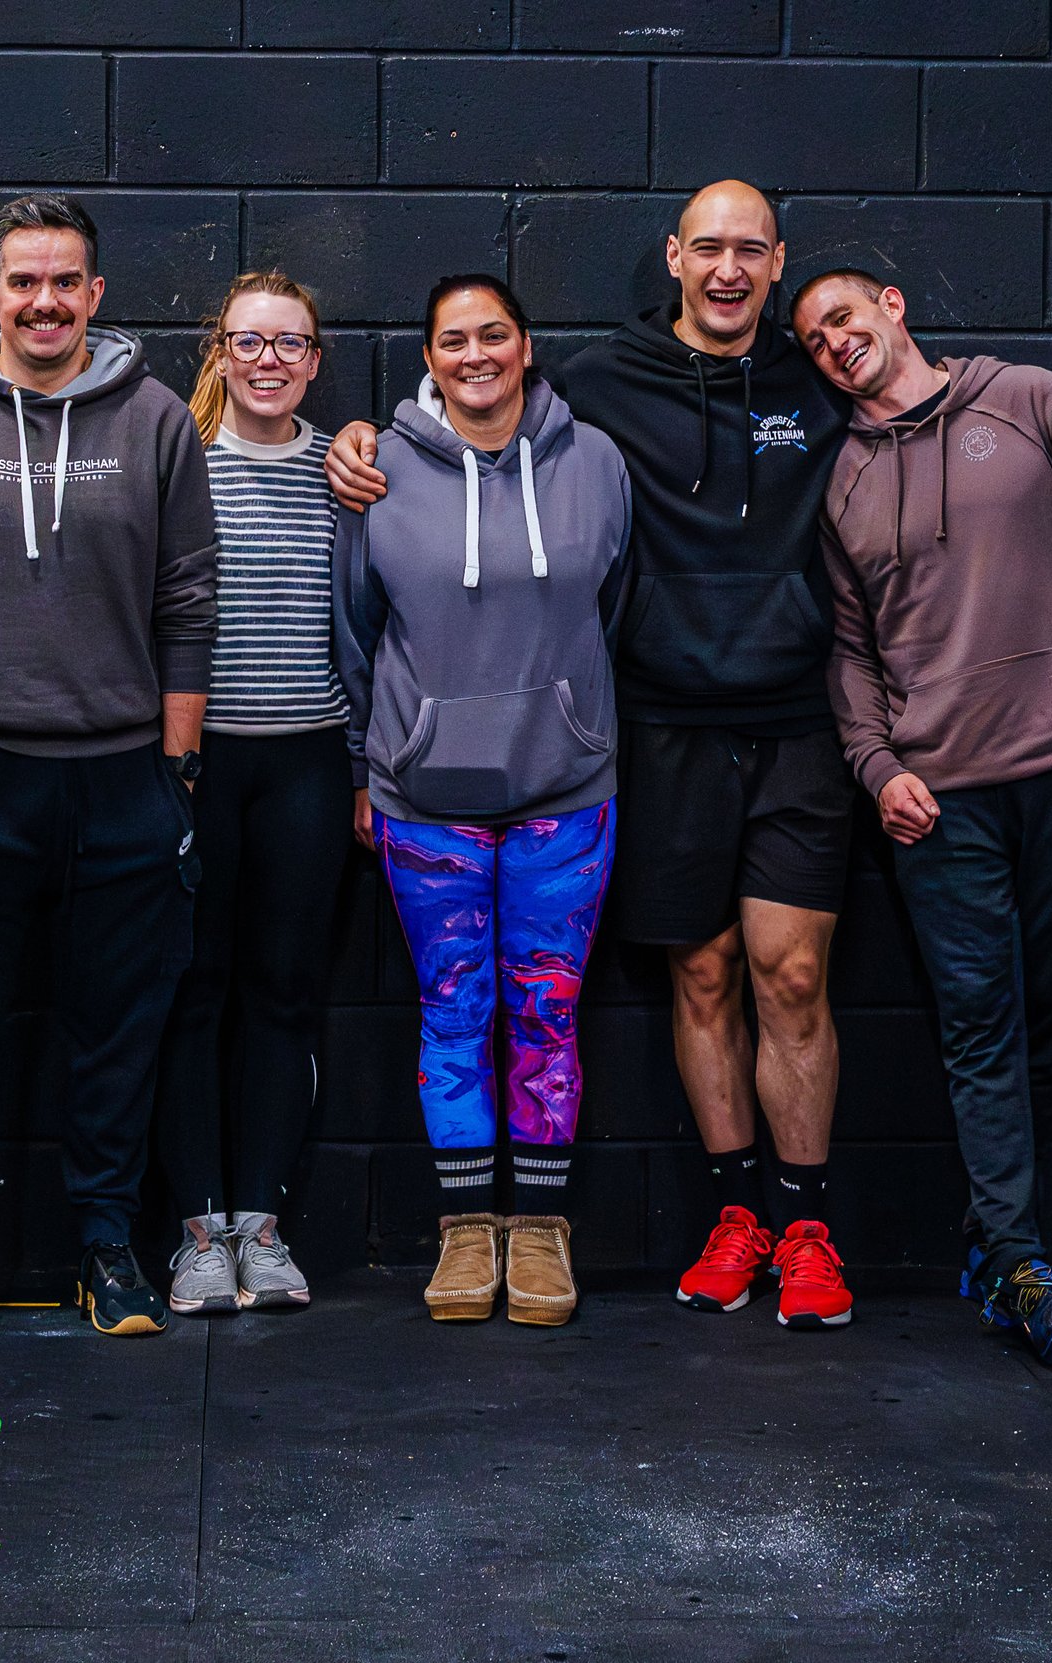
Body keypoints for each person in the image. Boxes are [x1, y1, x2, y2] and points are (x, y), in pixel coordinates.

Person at [325, 181, 1052, 1332]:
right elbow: (470, 405)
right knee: (699, 978)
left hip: (803, 723)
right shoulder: (600, 380)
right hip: (660, 726)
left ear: (776, 261)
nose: (728, 268)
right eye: (707, 247)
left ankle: (805, 1225)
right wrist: (366, 434)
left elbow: (928, 387)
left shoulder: (817, 369)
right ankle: (734, 1215)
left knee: (791, 975)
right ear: (673, 257)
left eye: (750, 250)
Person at [794, 267, 1052, 1363]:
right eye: (813, 337)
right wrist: (878, 767)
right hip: (939, 805)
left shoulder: (1027, 400)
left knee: (1040, 1021)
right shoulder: (834, 476)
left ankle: (993, 1250)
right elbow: (848, 651)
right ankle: (1020, 1263)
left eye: (843, 316)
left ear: (891, 304)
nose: (833, 342)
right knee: (980, 1022)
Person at [0, 194, 219, 1340]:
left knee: (116, 1027)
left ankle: (104, 1244)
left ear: (95, 295)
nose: (45, 301)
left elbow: (187, 603)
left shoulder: (159, 419)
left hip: (121, 776)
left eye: (65, 280)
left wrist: (174, 768)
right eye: (24, 281)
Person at [336, 273, 632, 1328]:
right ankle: (468, 1230)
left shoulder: (594, 462)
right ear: (429, 353)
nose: (475, 355)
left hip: (567, 788)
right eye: (453, 339)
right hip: (425, 798)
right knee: (454, 1007)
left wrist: (576, 720)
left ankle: (541, 1231)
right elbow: (354, 630)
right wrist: (375, 765)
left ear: (525, 344)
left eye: (493, 335)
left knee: (546, 1011)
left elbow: (617, 599)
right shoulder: (375, 472)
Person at [157, 272, 346, 1316]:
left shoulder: (344, 470)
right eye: (249, 342)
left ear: (315, 360)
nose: (269, 360)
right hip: (196, 766)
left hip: (307, 765)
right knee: (193, 994)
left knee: (282, 997)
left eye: (290, 344)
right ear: (219, 351)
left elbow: (372, 623)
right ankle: (197, 1232)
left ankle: (263, 1228)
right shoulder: (175, 464)